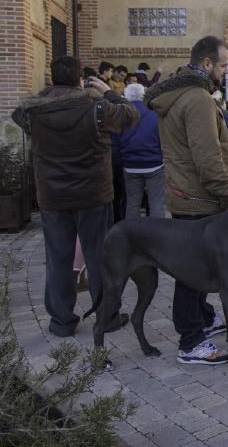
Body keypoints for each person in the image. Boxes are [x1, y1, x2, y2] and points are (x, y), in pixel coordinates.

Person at [12, 55, 138, 337]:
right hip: (93, 194)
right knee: (98, 257)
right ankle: (106, 315)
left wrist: (48, 94)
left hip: (53, 197)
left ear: (52, 79)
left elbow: (17, 113)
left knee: (58, 258)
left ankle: (62, 321)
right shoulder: (98, 107)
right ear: (81, 79)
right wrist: (107, 91)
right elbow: (131, 114)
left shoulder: (36, 111)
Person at [146, 36, 228, 365]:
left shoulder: (179, 94)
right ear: (207, 64)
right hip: (199, 197)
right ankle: (191, 340)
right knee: (192, 272)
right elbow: (207, 159)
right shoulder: (197, 99)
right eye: (224, 64)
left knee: (195, 266)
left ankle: (203, 316)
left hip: (186, 193)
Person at [115, 83, 165, 219]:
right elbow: (162, 139)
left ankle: (133, 235)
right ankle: (158, 235)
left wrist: (120, 161)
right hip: (154, 164)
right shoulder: (154, 115)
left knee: (132, 204)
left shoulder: (121, 115)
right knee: (157, 203)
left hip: (130, 165)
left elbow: (116, 142)